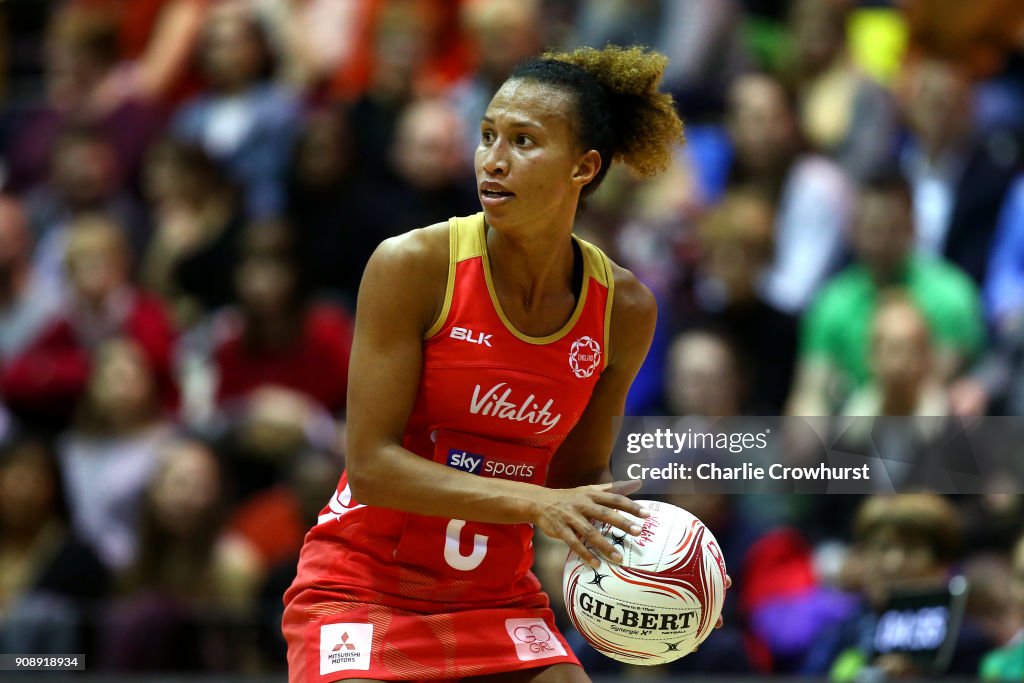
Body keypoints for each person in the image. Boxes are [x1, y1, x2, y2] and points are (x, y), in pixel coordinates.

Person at [283, 45, 726, 682]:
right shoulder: (413, 266)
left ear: (584, 166)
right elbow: (372, 466)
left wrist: (675, 561)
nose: (493, 159)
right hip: (364, 586)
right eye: (487, 135)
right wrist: (534, 505)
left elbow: (577, 480)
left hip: (496, 599)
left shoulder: (622, 309)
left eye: (523, 140)